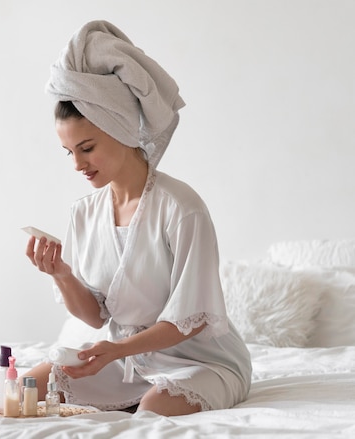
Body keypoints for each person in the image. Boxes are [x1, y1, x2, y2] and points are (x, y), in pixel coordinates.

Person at [24, 20, 251, 417]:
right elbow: (95, 317)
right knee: (28, 385)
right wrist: (61, 273)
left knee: (152, 410)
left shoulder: (182, 208)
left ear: (123, 130)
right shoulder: (83, 214)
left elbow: (191, 321)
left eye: (87, 147)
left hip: (200, 362)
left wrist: (118, 350)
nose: (77, 164)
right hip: (125, 361)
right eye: (68, 152)